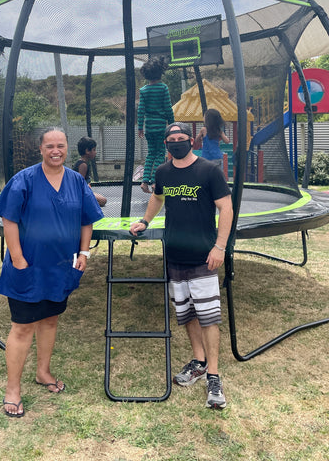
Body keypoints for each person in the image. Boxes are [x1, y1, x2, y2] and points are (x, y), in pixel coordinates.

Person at [0, 128, 104, 418]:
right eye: (50, 146)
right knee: (22, 327)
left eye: (61, 146)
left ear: (67, 149)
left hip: (60, 267)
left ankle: (43, 372)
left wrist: (84, 252)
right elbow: (9, 220)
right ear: (40, 149)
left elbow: (86, 219)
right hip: (27, 266)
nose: (56, 151)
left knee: (50, 320)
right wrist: (17, 259)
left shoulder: (77, 181)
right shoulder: (24, 181)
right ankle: (13, 390)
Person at [130, 122, 233, 409]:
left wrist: (220, 246)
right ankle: (199, 361)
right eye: (171, 140)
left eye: (181, 138)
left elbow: (226, 208)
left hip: (203, 255)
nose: (176, 143)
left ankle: (213, 375)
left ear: (191, 140)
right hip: (174, 255)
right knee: (187, 314)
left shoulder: (209, 171)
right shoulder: (163, 172)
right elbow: (157, 196)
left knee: (209, 317)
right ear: (166, 144)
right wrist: (145, 220)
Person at [137, 56, 175, 193]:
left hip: (148, 128)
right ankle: (154, 181)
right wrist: (172, 125)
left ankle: (144, 181)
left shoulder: (144, 90)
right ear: (160, 72)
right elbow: (168, 108)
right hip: (160, 127)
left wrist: (140, 127)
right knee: (160, 153)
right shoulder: (163, 88)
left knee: (150, 153)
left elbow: (141, 110)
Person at [73, 136, 107, 207]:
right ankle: (82, 204)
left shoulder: (84, 163)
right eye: (94, 150)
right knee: (102, 201)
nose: (95, 152)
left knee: (102, 200)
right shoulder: (83, 165)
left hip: (84, 191)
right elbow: (79, 184)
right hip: (79, 193)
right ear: (87, 151)